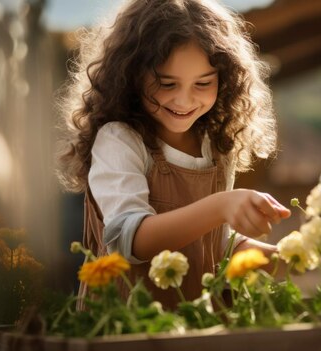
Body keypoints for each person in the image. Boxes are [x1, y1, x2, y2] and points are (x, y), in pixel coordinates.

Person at [56, 0, 290, 309]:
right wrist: (222, 206)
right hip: (128, 327)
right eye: (167, 83)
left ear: (225, 79)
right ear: (131, 75)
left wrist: (294, 256)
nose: (184, 99)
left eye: (203, 83)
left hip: (197, 324)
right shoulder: (120, 141)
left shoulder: (216, 146)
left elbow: (215, 243)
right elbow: (130, 240)